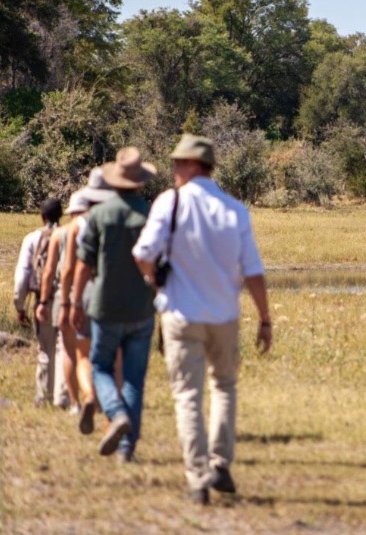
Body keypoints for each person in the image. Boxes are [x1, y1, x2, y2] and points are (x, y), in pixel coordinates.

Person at [133, 134, 272, 504]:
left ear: (194, 165)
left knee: (188, 397)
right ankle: (220, 462)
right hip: (225, 315)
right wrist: (265, 318)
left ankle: (197, 477)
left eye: (179, 163)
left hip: (180, 315)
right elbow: (253, 272)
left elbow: (143, 253)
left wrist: (154, 281)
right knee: (224, 387)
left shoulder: (170, 202)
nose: (174, 170)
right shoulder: (235, 209)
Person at [71, 147, 157, 463]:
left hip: (105, 306)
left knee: (100, 366)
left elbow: (83, 265)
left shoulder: (99, 215)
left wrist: (74, 302)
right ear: (140, 182)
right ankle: (127, 449)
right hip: (142, 307)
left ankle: (115, 412)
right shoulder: (150, 214)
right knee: (134, 377)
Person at [36, 169, 117, 427]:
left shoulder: (64, 233)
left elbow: (54, 271)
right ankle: (103, 400)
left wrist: (44, 300)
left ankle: (75, 402)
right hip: (103, 291)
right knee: (99, 351)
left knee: (71, 352)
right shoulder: (108, 224)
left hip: (68, 294)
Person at [14, 198, 68, 408]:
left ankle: (43, 396)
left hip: (42, 300)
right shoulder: (69, 235)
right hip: (67, 297)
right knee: (65, 347)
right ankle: (63, 397)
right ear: (61, 215)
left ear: (41, 216)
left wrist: (20, 305)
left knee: (46, 349)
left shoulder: (32, 239)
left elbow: (22, 275)